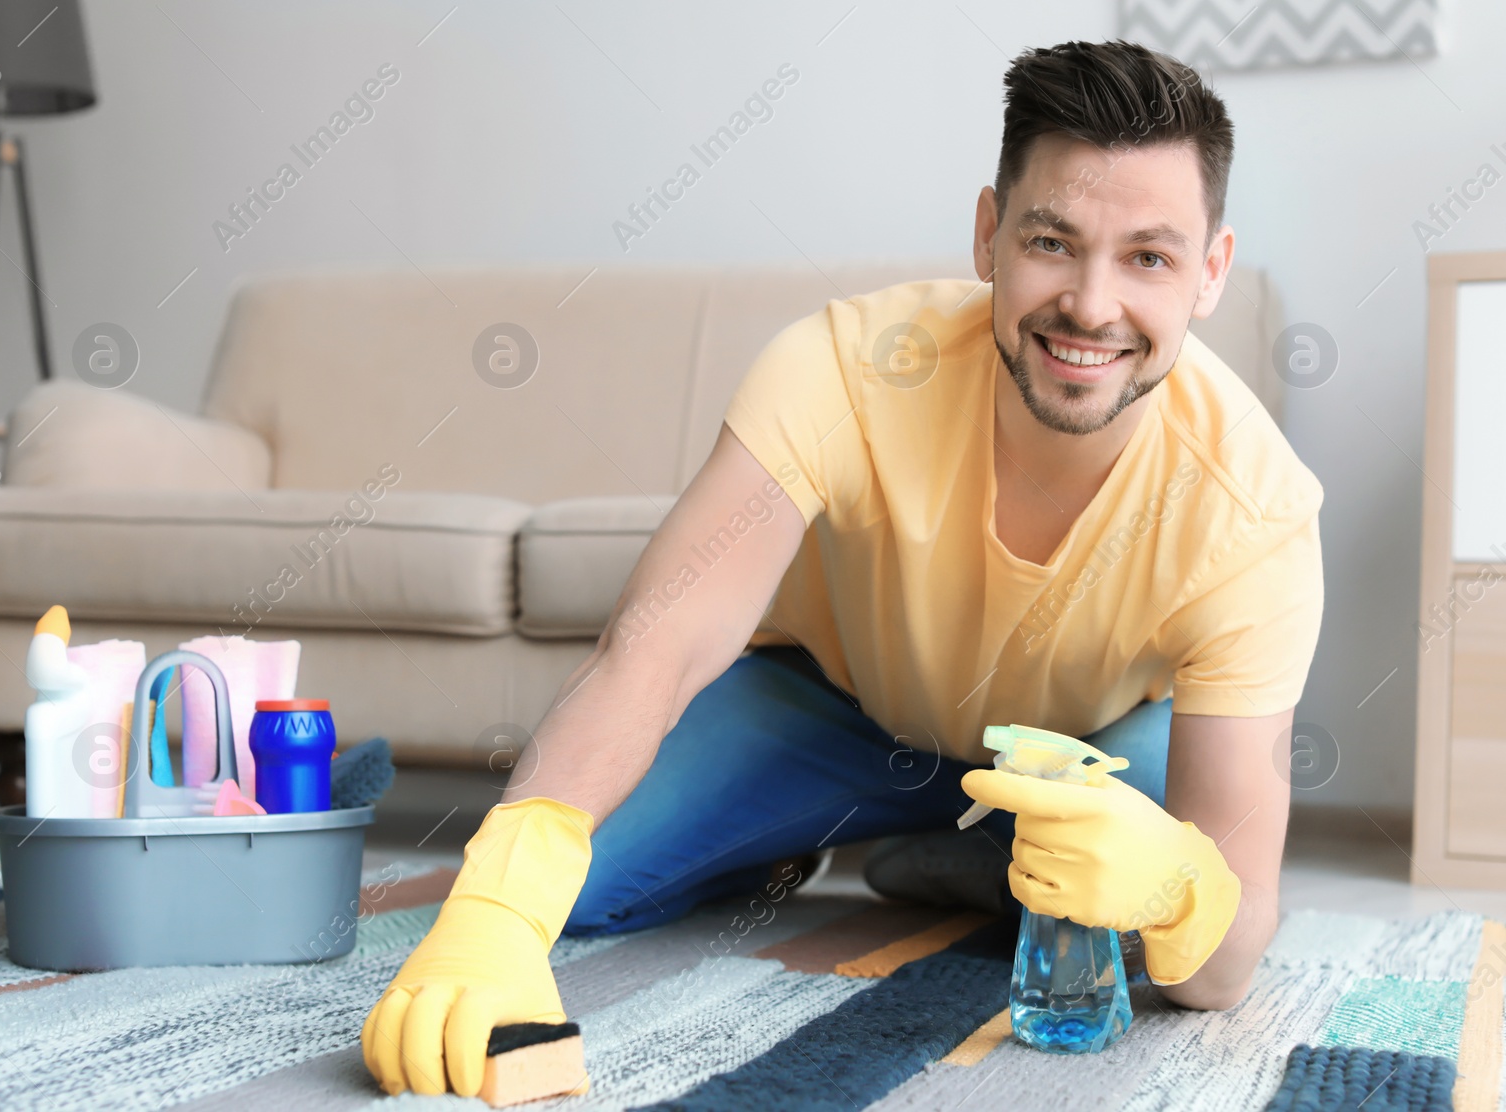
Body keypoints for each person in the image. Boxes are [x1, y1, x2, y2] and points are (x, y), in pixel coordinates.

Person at [361, 38, 1324, 1097]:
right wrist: (497, 909)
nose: (1091, 306)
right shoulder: (840, 364)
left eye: (1148, 256)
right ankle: (885, 845)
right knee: (574, 883)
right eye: (1053, 240)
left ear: (1210, 273)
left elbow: (1232, 957)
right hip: (829, 711)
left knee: (1163, 901)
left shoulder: (1256, 510)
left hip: (1084, 758)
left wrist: (1185, 890)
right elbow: (655, 649)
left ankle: (973, 852)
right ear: (989, 235)